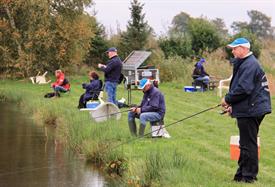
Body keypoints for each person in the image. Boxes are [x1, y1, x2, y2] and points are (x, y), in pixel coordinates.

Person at [221, 37, 272, 183]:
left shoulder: (250, 64)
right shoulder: (245, 63)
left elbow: (244, 89)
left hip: (252, 109)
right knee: (245, 143)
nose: (232, 50)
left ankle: (249, 177)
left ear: (243, 49)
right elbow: (243, 89)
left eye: (235, 48)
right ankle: (241, 175)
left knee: (248, 144)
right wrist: (233, 106)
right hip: (250, 107)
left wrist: (227, 99)